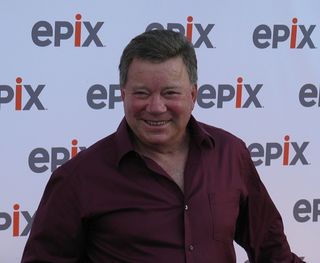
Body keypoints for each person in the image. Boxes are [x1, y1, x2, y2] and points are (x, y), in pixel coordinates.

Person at [21, 29, 304, 263]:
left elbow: (272, 252)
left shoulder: (230, 154)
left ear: (193, 95)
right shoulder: (78, 178)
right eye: (142, 93)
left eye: (170, 93)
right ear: (122, 95)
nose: (156, 107)